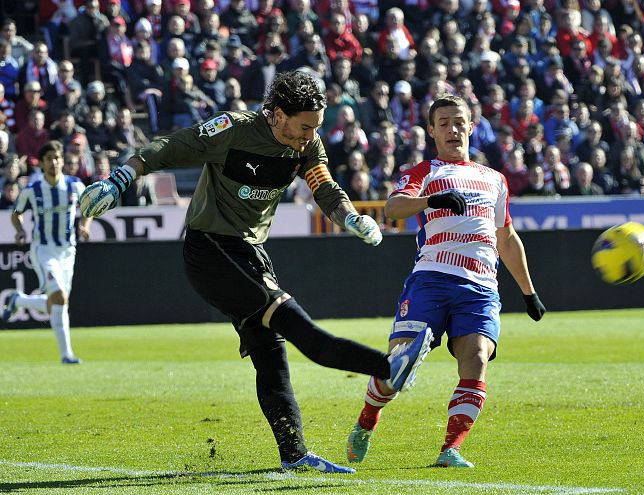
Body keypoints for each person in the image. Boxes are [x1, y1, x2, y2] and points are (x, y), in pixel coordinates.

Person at [77, 70, 433, 474]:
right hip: (212, 249)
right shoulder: (233, 130)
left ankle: (294, 455)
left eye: (315, 126)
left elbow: (323, 186)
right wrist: (121, 178)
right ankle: (390, 367)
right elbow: (169, 148)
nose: (310, 135)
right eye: (304, 126)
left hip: (250, 253)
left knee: (271, 353)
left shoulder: (307, 144)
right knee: (301, 330)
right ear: (277, 114)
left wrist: (350, 216)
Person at [345, 95, 546, 469]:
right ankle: (368, 417)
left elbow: (506, 237)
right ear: (432, 131)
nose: (452, 129)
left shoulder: (494, 179)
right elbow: (393, 207)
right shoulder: (425, 171)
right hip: (433, 278)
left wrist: (529, 292)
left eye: (459, 122)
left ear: (471, 127)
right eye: (444, 123)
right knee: (398, 365)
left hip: (482, 288)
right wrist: (432, 200)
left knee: (477, 359)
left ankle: (450, 448)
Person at [2, 141, 91, 364]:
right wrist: (20, 230)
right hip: (43, 251)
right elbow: (16, 213)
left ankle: (18, 300)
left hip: (68, 251)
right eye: (49, 158)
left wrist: (85, 225)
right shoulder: (33, 189)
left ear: (62, 160)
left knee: (57, 303)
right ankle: (67, 355)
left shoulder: (75, 185)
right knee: (59, 297)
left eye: (57, 158)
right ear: (42, 163)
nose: (54, 162)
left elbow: (88, 207)